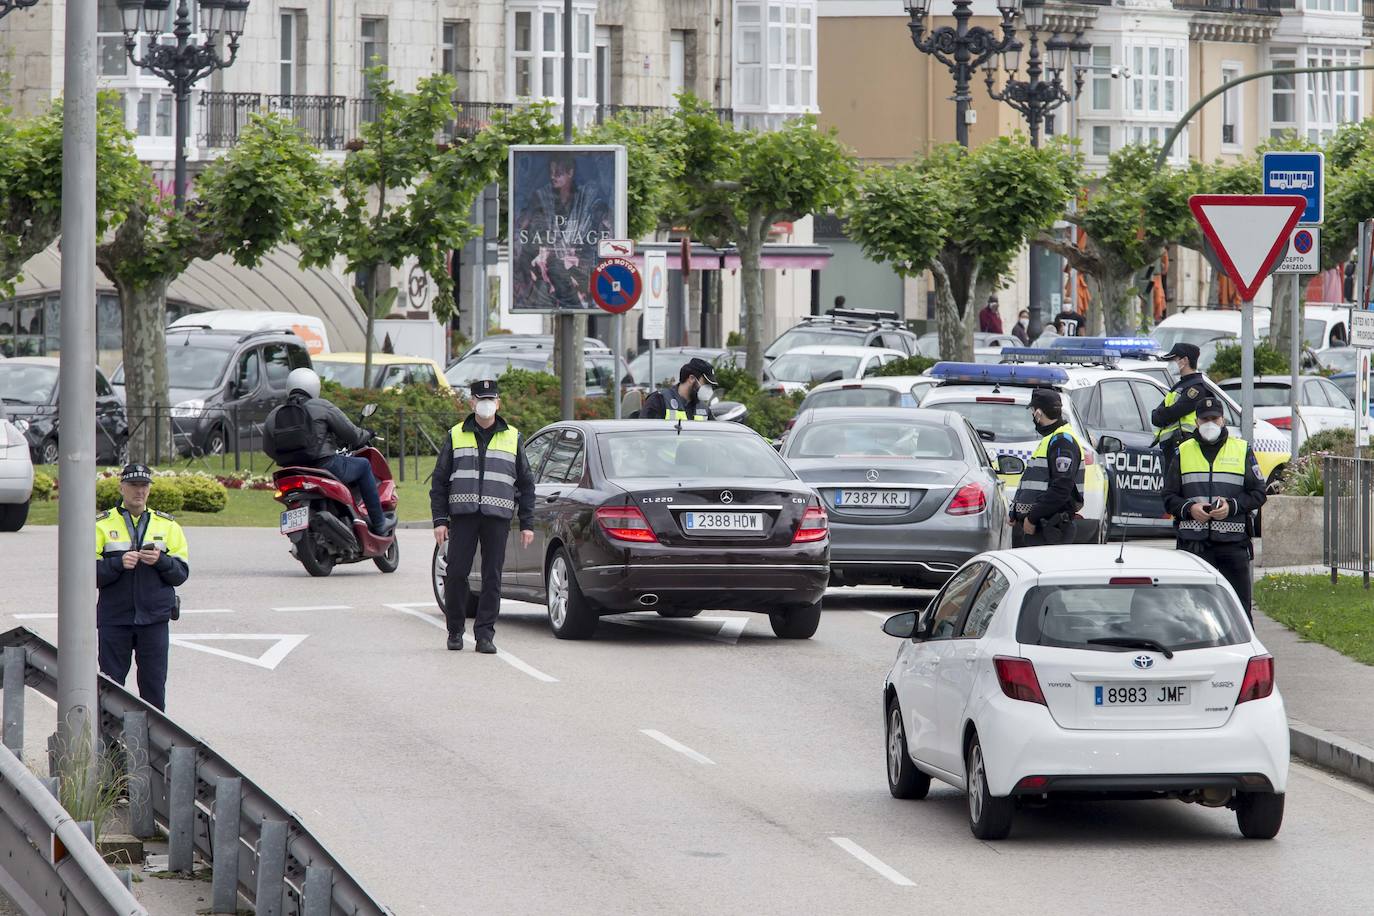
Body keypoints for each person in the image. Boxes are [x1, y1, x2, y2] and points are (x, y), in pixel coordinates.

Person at [431, 379, 536, 654]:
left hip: (497, 517)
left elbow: (526, 484)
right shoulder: (456, 435)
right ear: (472, 402)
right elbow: (439, 481)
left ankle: (485, 635)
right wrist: (439, 520)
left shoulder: (513, 436)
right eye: (481, 398)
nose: (486, 404)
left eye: (491, 399)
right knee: (455, 574)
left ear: (498, 403)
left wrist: (527, 524)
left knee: (492, 577)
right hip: (463, 516)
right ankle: (455, 630)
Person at [95, 464, 189, 711]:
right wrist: (117, 564)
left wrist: (161, 561)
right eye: (134, 485)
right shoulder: (100, 525)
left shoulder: (168, 525)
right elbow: (85, 574)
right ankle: (110, 747)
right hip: (115, 619)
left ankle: (152, 748)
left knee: (154, 688)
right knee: (110, 687)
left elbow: (180, 574)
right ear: (121, 487)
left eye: (144, 486)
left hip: (154, 620)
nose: (139, 491)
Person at [1162, 398, 1266, 620]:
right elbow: (1168, 497)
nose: (1210, 423)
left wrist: (1232, 506)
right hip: (1195, 545)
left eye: (1214, 418)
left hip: (1233, 544)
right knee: (1193, 612)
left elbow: (1258, 493)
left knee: (1239, 611)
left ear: (1223, 420)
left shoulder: (1242, 449)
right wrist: (1190, 508)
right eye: (1205, 419)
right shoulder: (1183, 452)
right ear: (1197, 423)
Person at [264, 367, 394, 536]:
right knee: (363, 466)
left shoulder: (274, 415)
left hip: (291, 472)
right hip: (324, 465)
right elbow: (352, 434)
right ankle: (378, 523)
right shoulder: (321, 406)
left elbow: (268, 448)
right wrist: (367, 433)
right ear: (314, 387)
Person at [512, 151, 613, 311]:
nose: (553, 177)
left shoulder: (585, 197)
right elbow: (527, 224)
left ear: (570, 173)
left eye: (558, 173)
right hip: (550, 264)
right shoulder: (541, 197)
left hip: (579, 263)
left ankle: (574, 299)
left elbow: (601, 219)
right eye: (551, 173)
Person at [1009, 388, 1086, 547]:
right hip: (1039, 526)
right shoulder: (1052, 439)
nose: (1032, 416)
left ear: (1038, 413)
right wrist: (1016, 511)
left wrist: (1032, 518)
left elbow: (1061, 489)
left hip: (1048, 528)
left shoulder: (1062, 442)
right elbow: (1035, 483)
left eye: (1032, 411)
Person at [1149, 342, 1219, 479]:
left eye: (1173, 360)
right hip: (1173, 447)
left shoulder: (1196, 389)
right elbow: (1156, 417)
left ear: (1185, 360)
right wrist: (1161, 414)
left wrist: (1162, 414)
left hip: (1185, 445)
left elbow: (1172, 412)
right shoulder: (1180, 387)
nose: (1170, 364)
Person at [640, 357, 717, 421]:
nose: (708, 389)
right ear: (692, 378)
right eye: (706, 383)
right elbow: (645, 433)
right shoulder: (659, 400)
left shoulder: (704, 409)